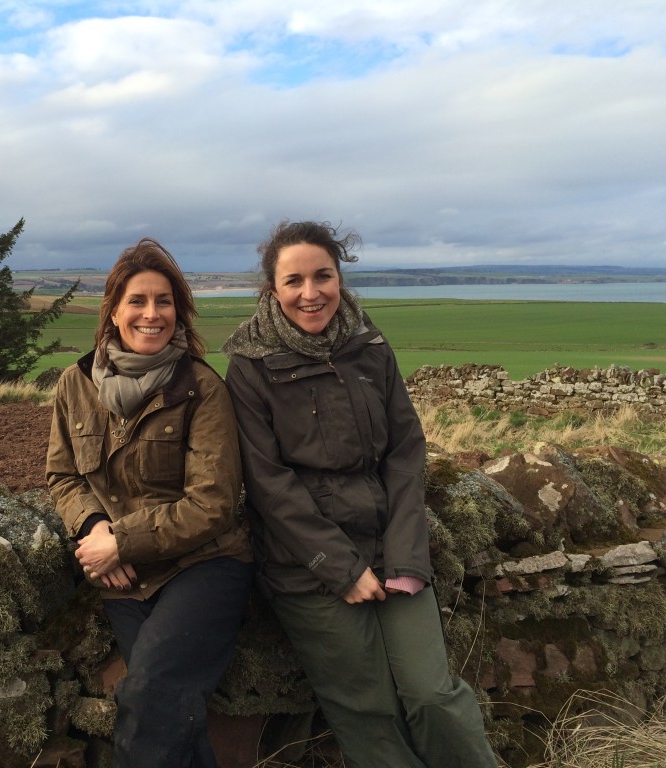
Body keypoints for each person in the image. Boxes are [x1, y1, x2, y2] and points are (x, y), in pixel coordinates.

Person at [222, 220, 498, 768]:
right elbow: (269, 483)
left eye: (323, 275)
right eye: (294, 280)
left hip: (393, 549)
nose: (310, 292)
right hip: (308, 567)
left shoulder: (368, 345)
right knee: (366, 710)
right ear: (272, 289)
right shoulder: (250, 367)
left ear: (340, 278)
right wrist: (341, 568)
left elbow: (404, 451)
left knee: (432, 695)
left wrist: (404, 556)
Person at [46, 237, 253, 768]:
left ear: (179, 313)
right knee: (173, 715)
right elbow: (63, 475)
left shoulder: (202, 389)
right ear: (114, 311)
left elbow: (213, 503)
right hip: (127, 578)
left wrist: (121, 540)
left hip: (205, 566)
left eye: (164, 301)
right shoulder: (76, 384)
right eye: (137, 300)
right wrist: (93, 528)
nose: (151, 313)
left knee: (147, 697)